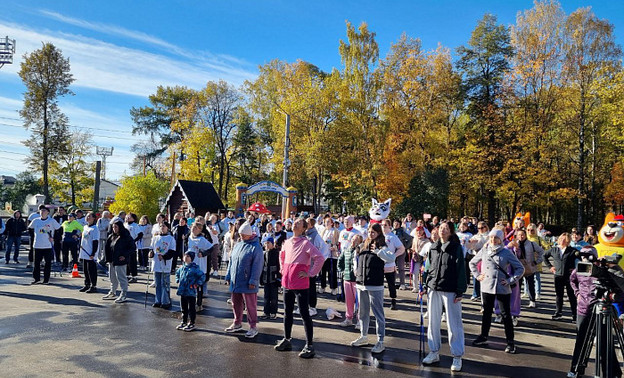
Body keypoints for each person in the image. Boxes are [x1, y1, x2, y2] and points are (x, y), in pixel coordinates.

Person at [567, 245, 622, 378]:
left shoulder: (603, 269)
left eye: (588, 256)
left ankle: (612, 372)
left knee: (605, 343)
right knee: (581, 340)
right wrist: (577, 293)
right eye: (582, 256)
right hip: (583, 309)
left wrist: (610, 268)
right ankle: (575, 370)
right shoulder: (579, 268)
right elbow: (572, 280)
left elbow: (619, 285)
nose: (585, 259)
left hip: (601, 309)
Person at [274, 218, 325, 358]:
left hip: (301, 284)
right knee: (287, 312)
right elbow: (281, 255)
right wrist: (283, 269)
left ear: (303, 228)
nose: (295, 224)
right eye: (294, 222)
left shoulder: (305, 243)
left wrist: (311, 273)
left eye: (298, 223)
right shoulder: (287, 242)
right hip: (287, 283)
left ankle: (309, 345)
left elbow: (320, 258)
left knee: (304, 313)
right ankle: (287, 339)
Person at [421, 221, 467, 372]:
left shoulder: (456, 248)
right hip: (433, 288)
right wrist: (424, 283)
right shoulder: (433, 247)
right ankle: (434, 352)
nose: (443, 231)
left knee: (454, 324)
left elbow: (461, 269)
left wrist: (460, 290)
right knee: (433, 322)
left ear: (451, 232)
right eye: (441, 228)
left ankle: (457, 356)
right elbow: (428, 267)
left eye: (446, 229)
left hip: (450, 289)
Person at [470, 228, 524, 354]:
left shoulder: (506, 252)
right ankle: (483, 336)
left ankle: (510, 342)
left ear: (501, 239)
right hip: (487, 286)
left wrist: (511, 280)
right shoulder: (484, 250)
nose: (493, 240)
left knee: (506, 315)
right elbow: (472, 263)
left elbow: (520, 268)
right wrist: (478, 276)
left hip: (502, 287)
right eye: (491, 237)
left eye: (496, 238)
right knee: (486, 313)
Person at [351, 223, 396, 353]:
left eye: (373, 232)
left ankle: (380, 341)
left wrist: (378, 252)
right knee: (363, 312)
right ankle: (363, 336)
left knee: (378, 314)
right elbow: (356, 256)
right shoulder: (363, 245)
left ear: (378, 233)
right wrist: (355, 268)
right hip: (361, 283)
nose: (371, 234)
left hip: (375, 284)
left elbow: (391, 258)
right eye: (369, 231)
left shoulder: (382, 245)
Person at [224, 222, 264, 338]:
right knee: (235, 303)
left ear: (248, 234)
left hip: (247, 282)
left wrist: (253, 281)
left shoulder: (256, 247)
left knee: (250, 305)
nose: (241, 236)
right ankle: (237, 323)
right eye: (240, 234)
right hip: (235, 280)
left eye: (243, 234)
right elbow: (232, 261)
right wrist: (228, 276)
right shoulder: (238, 244)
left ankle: (253, 326)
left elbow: (257, 265)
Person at [544, 233, 579, 321]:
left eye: (564, 240)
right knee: (559, 295)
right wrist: (550, 267)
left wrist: (575, 269)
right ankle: (558, 313)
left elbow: (581, 259)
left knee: (571, 296)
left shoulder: (572, 251)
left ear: (568, 241)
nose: (562, 241)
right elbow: (544, 256)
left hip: (569, 276)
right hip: (558, 276)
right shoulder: (554, 249)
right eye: (561, 239)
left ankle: (575, 315)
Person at [507, 229, 543, 308]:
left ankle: (532, 300)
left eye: (522, 234)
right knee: (517, 286)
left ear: (526, 235)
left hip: (529, 266)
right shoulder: (514, 244)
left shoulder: (531, 244)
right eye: (519, 235)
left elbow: (541, 252)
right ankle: (517, 301)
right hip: (517, 268)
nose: (521, 236)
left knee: (530, 284)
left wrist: (537, 261)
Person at [102, 220, 134, 303]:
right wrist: (107, 259)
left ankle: (123, 294)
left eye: (116, 227)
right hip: (112, 260)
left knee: (121, 277)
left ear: (120, 227)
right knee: (112, 277)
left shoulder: (125, 236)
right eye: (113, 227)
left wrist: (125, 255)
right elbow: (107, 247)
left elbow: (132, 247)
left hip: (120, 260)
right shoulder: (111, 236)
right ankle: (113, 292)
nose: (114, 229)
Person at [28, 205, 62, 284]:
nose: (42, 212)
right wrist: (33, 237)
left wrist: (54, 238)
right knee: (36, 263)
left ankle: (46, 279)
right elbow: (30, 228)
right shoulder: (36, 220)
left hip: (48, 245)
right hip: (37, 245)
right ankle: (36, 278)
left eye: (44, 211)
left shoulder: (51, 221)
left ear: (48, 212)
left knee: (47, 263)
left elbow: (59, 229)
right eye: (41, 211)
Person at [303, 218, 329, 316]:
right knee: (303, 287)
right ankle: (304, 305)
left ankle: (312, 307)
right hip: (303, 265)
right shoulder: (304, 234)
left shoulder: (315, 236)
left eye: (307, 223)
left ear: (311, 225)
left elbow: (324, 249)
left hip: (311, 267)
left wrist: (318, 263)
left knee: (311, 287)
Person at [175, 251, 206, 332]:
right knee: (183, 307)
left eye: (188, 256)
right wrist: (177, 280)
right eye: (185, 255)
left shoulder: (195, 268)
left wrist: (197, 284)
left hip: (191, 291)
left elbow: (202, 276)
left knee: (191, 308)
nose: (186, 257)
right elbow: (177, 274)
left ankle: (192, 322)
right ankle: (184, 321)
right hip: (183, 291)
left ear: (191, 258)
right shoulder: (182, 267)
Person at [338, 233, 363, 328]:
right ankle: (348, 318)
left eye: (356, 240)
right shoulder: (346, 250)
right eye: (353, 239)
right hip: (347, 279)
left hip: (357, 280)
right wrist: (342, 271)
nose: (353, 241)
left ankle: (360, 320)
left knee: (359, 302)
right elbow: (340, 261)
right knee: (348, 301)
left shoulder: (360, 252)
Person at [149, 222, 176, 309]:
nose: (162, 228)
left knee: (164, 283)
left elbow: (172, 251)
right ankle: (158, 300)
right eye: (160, 226)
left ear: (167, 228)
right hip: (156, 263)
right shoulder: (155, 238)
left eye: (163, 226)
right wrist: (151, 253)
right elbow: (151, 249)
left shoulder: (171, 238)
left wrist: (164, 256)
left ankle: (166, 301)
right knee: (157, 283)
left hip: (165, 264)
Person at [187, 222, 213, 311]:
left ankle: (199, 304)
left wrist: (203, 253)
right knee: (191, 285)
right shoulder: (189, 237)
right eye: (192, 227)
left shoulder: (202, 239)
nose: (193, 229)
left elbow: (211, 248)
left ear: (200, 230)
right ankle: (192, 303)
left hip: (200, 266)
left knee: (199, 286)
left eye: (195, 228)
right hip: (191, 265)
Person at [381, 219, 404, 310]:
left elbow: (401, 248)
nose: (383, 227)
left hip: (389, 265)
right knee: (379, 283)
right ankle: (380, 300)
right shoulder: (379, 236)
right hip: (379, 264)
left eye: (385, 225)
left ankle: (393, 300)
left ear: (389, 226)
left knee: (391, 283)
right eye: (382, 225)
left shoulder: (393, 237)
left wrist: (394, 256)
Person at [466, 222, 489, 301]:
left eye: (482, 228)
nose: (481, 230)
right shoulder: (475, 236)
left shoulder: (489, 236)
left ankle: (484, 294)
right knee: (476, 275)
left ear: (486, 227)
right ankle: (476, 293)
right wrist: (470, 243)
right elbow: (469, 247)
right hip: (476, 257)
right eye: (479, 228)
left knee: (485, 275)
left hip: (486, 258)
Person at [78, 212, 100, 293]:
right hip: (84, 251)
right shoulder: (85, 227)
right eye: (87, 216)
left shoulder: (95, 228)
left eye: (89, 216)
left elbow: (95, 242)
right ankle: (87, 284)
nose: (87, 218)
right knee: (85, 270)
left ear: (94, 218)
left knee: (91, 270)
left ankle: (93, 285)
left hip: (90, 252)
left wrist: (93, 253)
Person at [261, 236, 280, 319]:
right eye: (266, 243)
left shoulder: (276, 253)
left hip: (274, 278)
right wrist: (261, 278)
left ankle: (273, 312)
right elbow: (262, 266)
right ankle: (266, 311)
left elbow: (279, 266)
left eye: (268, 243)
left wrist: (279, 278)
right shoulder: (264, 253)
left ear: (273, 244)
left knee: (274, 297)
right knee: (266, 296)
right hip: (266, 277)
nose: (267, 245)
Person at [320, 217, 340, 295]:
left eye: (328, 222)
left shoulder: (335, 231)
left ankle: (333, 288)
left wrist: (334, 247)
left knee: (332, 272)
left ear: (332, 223)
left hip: (332, 254)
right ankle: (323, 286)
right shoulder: (323, 231)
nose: (327, 223)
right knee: (323, 271)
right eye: (325, 222)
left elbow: (338, 242)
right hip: (324, 254)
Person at [392, 219, 412, 290]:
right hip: (392, 252)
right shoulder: (391, 232)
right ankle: (392, 282)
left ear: (400, 225)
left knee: (401, 268)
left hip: (401, 252)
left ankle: (402, 283)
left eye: (397, 224)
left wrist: (405, 247)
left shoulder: (402, 232)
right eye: (394, 224)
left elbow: (410, 239)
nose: (395, 225)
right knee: (392, 267)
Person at [124, 213, 143, 283]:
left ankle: (134, 276)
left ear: (133, 218)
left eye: (129, 217)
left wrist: (134, 241)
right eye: (127, 216)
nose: (127, 218)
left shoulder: (135, 225)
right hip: (124, 245)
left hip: (131, 245)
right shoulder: (124, 225)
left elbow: (140, 234)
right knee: (126, 260)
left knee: (132, 261)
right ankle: (127, 275)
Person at [410, 226, 430, 293]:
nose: (419, 232)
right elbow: (413, 247)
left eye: (420, 230)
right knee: (415, 273)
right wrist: (412, 251)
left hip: (424, 258)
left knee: (422, 274)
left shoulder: (426, 240)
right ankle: (415, 287)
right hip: (416, 258)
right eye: (418, 231)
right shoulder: (415, 239)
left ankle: (422, 287)